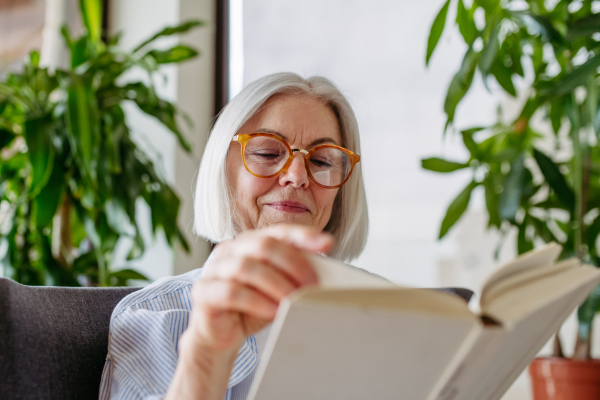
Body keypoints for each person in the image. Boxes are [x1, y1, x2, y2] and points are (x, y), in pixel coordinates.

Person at [98, 72, 369, 400]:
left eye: (322, 160)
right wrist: (207, 355)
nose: (297, 177)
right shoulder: (156, 317)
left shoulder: (385, 310)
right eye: (268, 154)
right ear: (223, 169)